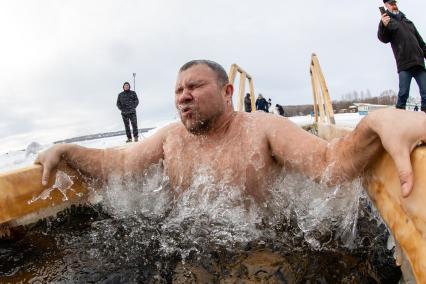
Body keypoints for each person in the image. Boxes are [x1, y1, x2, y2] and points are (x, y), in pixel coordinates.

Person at [36, 60, 426, 202]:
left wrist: (375, 124)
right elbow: (118, 165)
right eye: (177, 90)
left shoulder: (262, 128)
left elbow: (329, 164)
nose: (183, 97)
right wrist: (65, 150)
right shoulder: (171, 139)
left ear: (227, 92)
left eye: (194, 87)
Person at [378, 0, 426, 112]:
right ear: (386, 5)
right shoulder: (387, 21)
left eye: (395, 3)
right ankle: (398, 117)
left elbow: (421, 43)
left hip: (418, 62)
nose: (394, 5)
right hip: (404, 64)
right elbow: (383, 38)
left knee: (425, 93)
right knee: (403, 93)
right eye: (391, 3)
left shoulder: (408, 22)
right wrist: (383, 26)